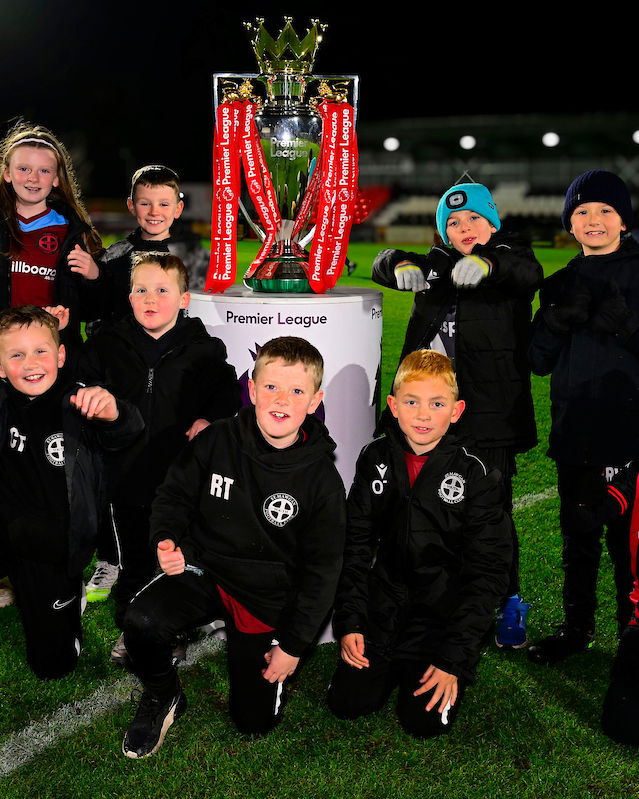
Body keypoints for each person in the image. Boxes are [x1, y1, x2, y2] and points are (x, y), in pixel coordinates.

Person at [120, 336, 346, 758]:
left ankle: (257, 660)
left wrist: (293, 646)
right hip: (205, 568)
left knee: (253, 723)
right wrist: (166, 539)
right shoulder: (216, 440)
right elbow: (174, 495)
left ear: (315, 401)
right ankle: (163, 693)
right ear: (253, 390)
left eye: (297, 391)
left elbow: (323, 572)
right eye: (271, 386)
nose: (282, 399)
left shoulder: (322, 483)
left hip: (264, 597)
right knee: (142, 621)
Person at [372, 182, 541, 648]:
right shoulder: (437, 264)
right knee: (424, 509)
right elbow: (382, 262)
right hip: (428, 417)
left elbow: (526, 271)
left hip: (489, 419)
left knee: (491, 516)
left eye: (474, 219)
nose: (464, 227)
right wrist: (399, 263)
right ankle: (434, 600)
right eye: (453, 222)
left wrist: (487, 264)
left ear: (492, 222)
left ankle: (507, 602)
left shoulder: (510, 257)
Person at [327, 350, 511, 737]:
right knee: (347, 703)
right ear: (393, 406)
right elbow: (354, 546)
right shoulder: (374, 457)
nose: (423, 415)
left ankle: (427, 663)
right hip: (384, 608)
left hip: (441, 618)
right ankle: (386, 659)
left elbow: (489, 571)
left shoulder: (476, 472)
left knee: (423, 723)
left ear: (456, 411)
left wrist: (453, 659)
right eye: (412, 402)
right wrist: (352, 621)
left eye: (437, 404)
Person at [79, 253, 240, 653]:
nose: (150, 299)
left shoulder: (204, 349)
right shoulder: (106, 344)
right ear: (129, 297)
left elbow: (226, 394)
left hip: (180, 477)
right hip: (124, 474)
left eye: (162, 290)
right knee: (134, 560)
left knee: (175, 556)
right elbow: (82, 384)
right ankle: (131, 628)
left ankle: (174, 627)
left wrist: (208, 419)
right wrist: (91, 397)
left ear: (184, 299)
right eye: (141, 290)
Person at [527, 170, 639, 666]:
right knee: (579, 537)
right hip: (575, 433)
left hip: (630, 437)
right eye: (582, 211)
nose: (594, 219)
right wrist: (553, 321)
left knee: (629, 547)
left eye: (606, 210)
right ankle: (577, 630)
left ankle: (632, 635)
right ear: (569, 224)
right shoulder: (558, 282)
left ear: (624, 220)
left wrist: (628, 327)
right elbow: (537, 361)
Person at [0, 305, 142, 679]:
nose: (31, 363)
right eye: (16, 355)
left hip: (56, 545)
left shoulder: (77, 402)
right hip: (11, 532)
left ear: (61, 355)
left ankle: (68, 607)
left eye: (40, 351)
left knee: (52, 666)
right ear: (0, 367)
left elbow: (128, 429)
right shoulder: (4, 400)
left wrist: (114, 413)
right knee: (27, 591)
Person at [0, 121, 103, 335]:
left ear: (56, 179)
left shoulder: (73, 232)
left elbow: (92, 310)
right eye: (24, 169)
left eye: (44, 171)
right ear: (7, 173)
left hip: (53, 346)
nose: (33, 178)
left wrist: (94, 278)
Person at [92, 164, 209, 327]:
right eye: (145, 204)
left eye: (164, 204)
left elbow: (204, 310)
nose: (154, 212)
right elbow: (96, 312)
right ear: (131, 206)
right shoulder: (115, 255)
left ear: (178, 208)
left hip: (175, 342)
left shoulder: (193, 256)